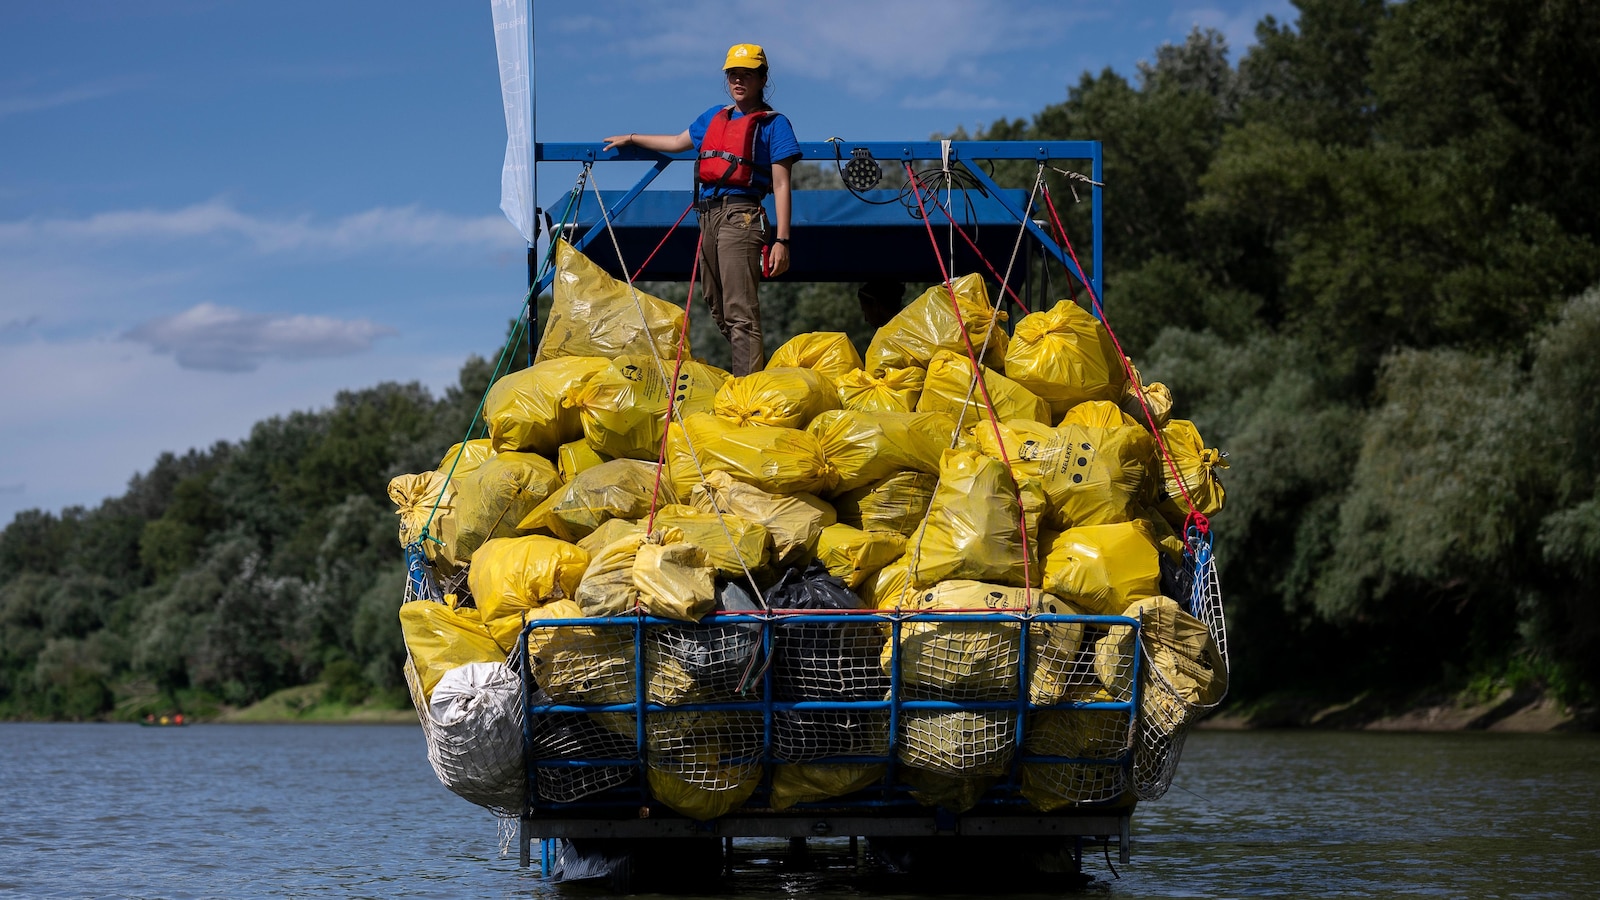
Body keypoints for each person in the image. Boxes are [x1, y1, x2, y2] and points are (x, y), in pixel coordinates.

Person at [604, 43, 800, 376]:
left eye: (747, 75)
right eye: (733, 75)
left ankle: (747, 388)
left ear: (762, 79)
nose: (738, 81)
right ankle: (753, 372)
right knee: (715, 302)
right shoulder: (713, 117)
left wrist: (782, 240)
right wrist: (633, 138)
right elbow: (677, 142)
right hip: (707, 216)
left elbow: (781, 184)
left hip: (741, 215)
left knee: (740, 309)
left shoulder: (774, 125)